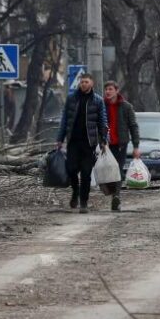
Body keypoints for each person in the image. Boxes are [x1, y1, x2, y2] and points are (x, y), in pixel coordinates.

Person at [56, 74, 108, 214]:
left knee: (86, 173)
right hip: (73, 141)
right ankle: (75, 192)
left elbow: (103, 122)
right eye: (81, 82)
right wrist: (60, 139)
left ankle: (84, 202)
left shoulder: (97, 101)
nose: (83, 84)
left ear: (91, 83)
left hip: (89, 143)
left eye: (86, 82)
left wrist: (104, 140)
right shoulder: (72, 99)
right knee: (71, 169)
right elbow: (65, 120)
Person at [103, 81, 140, 212]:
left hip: (120, 144)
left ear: (117, 91)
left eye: (110, 89)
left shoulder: (126, 107)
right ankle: (112, 193)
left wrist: (136, 146)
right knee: (106, 171)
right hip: (104, 145)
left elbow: (133, 126)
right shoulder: (101, 106)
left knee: (117, 170)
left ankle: (116, 196)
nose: (108, 92)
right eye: (106, 89)